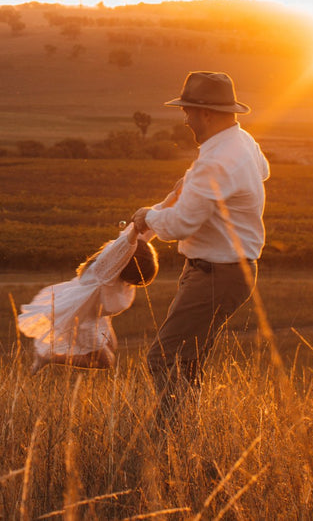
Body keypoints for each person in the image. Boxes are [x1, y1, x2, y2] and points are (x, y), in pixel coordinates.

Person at [130, 71, 270, 404]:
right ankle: (189, 436)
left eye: (188, 110)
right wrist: (194, 187)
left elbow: (179, 225)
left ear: (206, 113)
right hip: (229, 272)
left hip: (215, 274)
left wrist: (145, 216)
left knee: (163, 358)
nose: (185, 118)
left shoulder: (215, 162)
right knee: (189, 362)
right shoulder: (243, 141)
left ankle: (167, 440)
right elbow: (262, 170)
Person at [17, 224, 159, 374]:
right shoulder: (108, 271)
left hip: (94, 313)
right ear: (127, 267)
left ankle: (49, 357)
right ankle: (49, 357)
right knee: (105, 362)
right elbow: (129, 242)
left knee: (111, 346)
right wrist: (135, 229)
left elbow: (149, 227)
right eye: (134, 281)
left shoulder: (126, 255)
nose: (132, 285)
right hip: (82, 318)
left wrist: (171, 202)